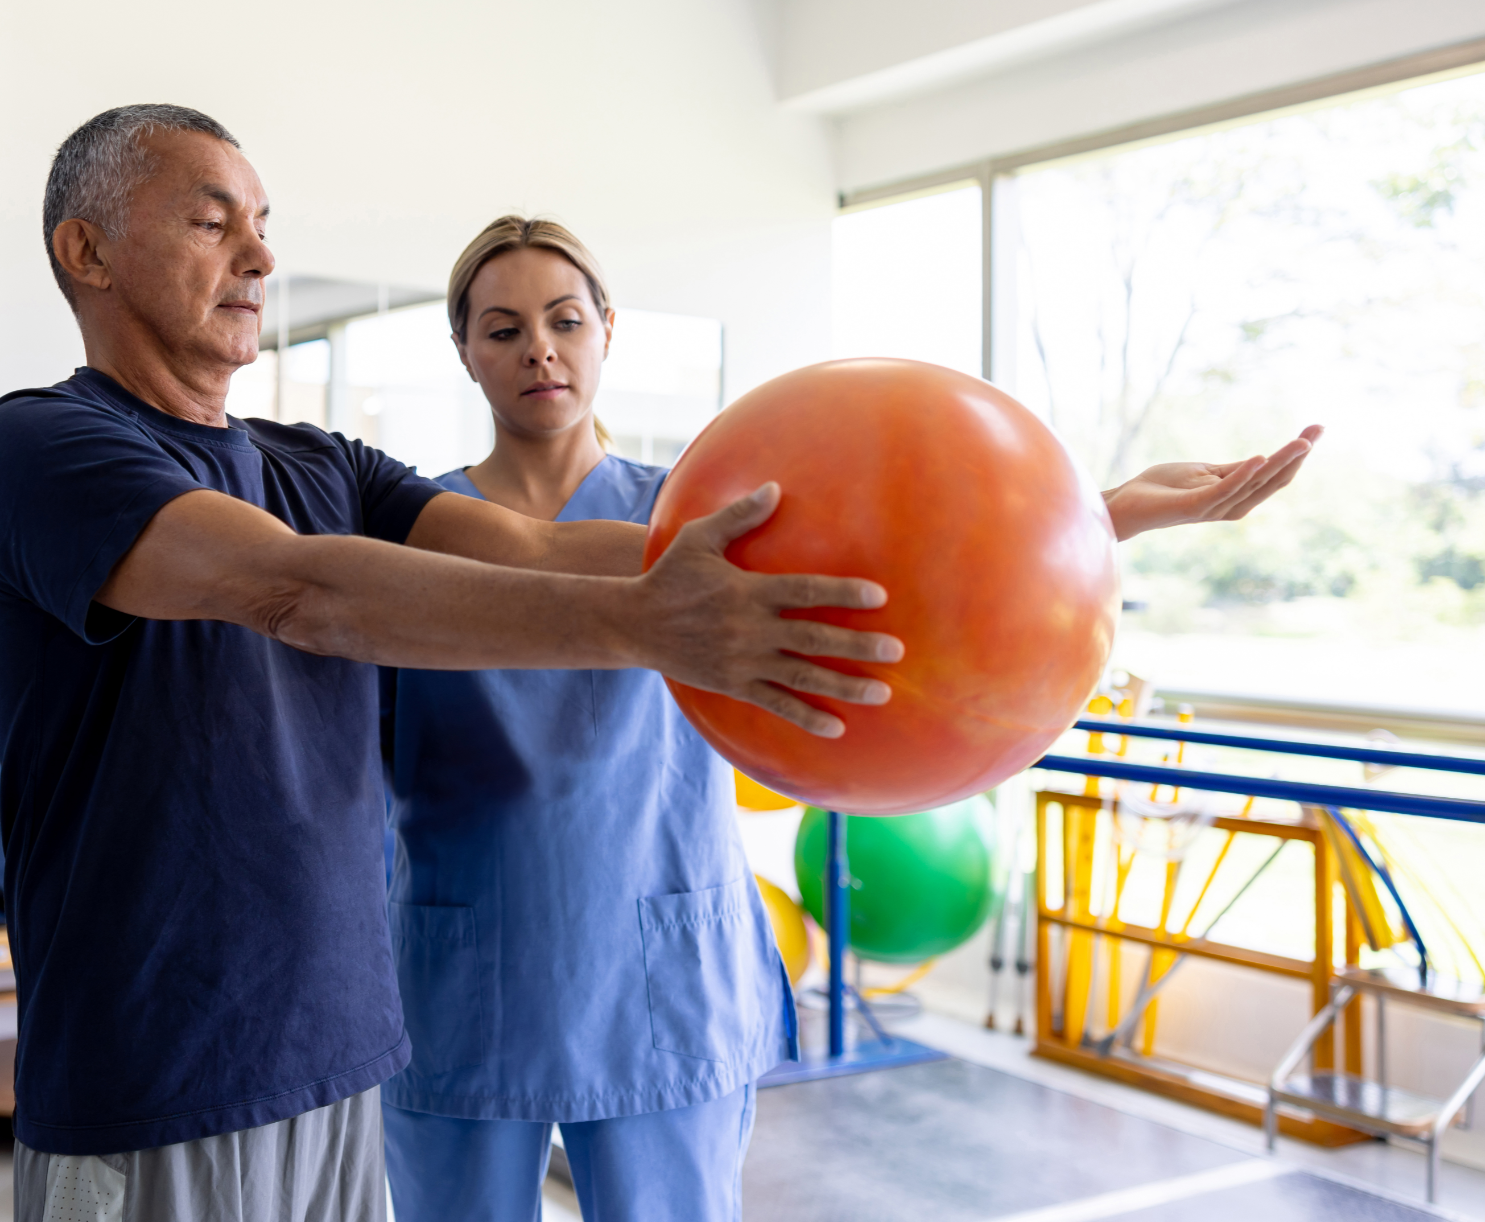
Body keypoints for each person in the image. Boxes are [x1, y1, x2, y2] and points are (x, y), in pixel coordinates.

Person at [0, 107, 904, 1222]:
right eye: (214, 223)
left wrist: (1050, 530)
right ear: (88, 251)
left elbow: (544, 547)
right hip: (160, 1072)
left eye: (263, 225)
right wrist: (651, 623)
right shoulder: (42, 447)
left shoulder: (321, 463)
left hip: (338, 1057)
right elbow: (297, 590)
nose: (260, 256)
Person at [379, 216, 1322, 1222]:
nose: (540, 350)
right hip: (466, 962)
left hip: (659, 955)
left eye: (566, 319)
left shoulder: (704, 512)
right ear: (464, 350)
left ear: (608, 328)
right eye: (503, 328)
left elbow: (898, 563)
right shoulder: (414, 530)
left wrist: (1108, 510)